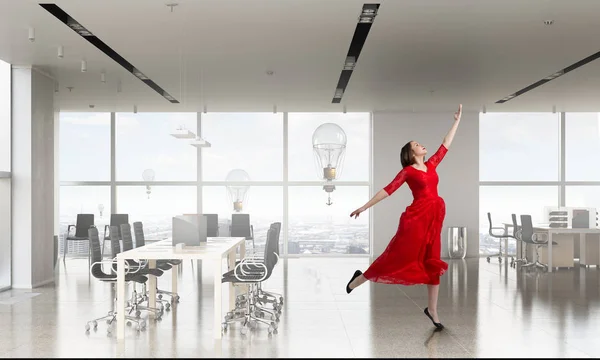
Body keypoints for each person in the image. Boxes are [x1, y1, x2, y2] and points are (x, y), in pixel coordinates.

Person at [346, 104, 463, 330]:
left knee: (432, 262)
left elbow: (445, 145)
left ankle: (433, 310)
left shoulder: (431, 165)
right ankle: (359, 279)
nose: (421, 145)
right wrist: (364, 206)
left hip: (433, 220)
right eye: (416, 145)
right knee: (396, 256)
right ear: (411, 153)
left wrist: (456, 121)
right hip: (416, 220)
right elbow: (388, 189)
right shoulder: (408, 171)